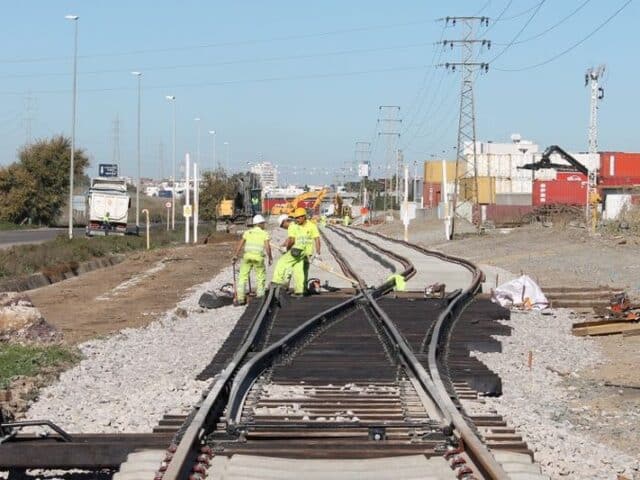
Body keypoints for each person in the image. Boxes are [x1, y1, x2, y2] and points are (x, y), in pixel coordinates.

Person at [272, 207, 321, 296]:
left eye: (298, 217)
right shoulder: (308, 225)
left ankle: (276, 282)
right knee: (299, 270)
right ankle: (300, 290)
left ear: (303, 216)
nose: (297, 219)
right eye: (296, 218)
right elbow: (291, 239)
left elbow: (292, 240)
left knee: (281, 262)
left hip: (297, 250)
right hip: (306, 253)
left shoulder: (293, 225)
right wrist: (317, 254)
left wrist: (286, 249)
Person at [232, 214, 272, 305]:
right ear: (260, 224)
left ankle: (241, 298)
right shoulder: (264, 233)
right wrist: (270, 257)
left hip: (247, 257)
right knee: (260, 276)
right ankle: (260, 296)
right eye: (263, 223)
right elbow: (267, 247)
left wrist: (235, 255)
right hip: (258, 258)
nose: (264, 225)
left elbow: (240, 244)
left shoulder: (248, 232)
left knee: (242, 277)